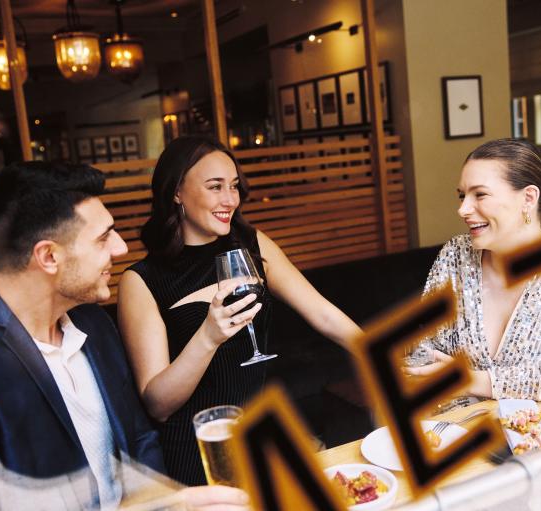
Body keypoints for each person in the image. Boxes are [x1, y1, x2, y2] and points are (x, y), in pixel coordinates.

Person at [0, 162, 249, 510]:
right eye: (104, 237)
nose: (121, 248)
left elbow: (140, 441)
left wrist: (167, 504)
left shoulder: (93, 325)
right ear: (48, 256)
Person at [118, 136, 363, 485]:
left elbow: (323, 314)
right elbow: (158, 404)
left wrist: (379, 352)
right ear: (176, 191)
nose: (230, 199)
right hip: (200, 451)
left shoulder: (253, 244)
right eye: (215, 187)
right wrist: (208, 337)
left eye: (234, 186)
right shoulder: (141, 281)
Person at [405, 138, 541, 401]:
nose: (463, 209)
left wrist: (474, 381)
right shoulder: (455, 256)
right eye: (462, 195)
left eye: (479, 194)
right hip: (456, 431)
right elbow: (423, 350)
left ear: (528, 198)